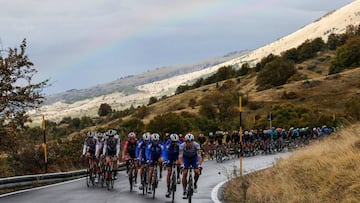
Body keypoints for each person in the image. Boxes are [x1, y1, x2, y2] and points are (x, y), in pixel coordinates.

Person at [179, 133, 202, 198]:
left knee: (197, 171)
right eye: (188, 142)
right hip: (185, 158)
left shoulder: (196, 145)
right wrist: (182, 164)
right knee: (185, 173)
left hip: (194, 158)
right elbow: (180, 156)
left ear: (193, 141)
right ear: (185, 142)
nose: (190, 143)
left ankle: (195, 184)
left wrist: (199, 165)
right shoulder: (182, 146)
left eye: (191, 141)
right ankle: (184, 190)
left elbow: (199, 156)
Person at [164, 133, 182, 198]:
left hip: (177, 155)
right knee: (169, 172)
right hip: (170, 156)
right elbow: (164, 152)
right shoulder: (167, 144)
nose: (175, 143)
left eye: (176, 142)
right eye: (173, 142)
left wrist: (180, 160)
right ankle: (168, 189)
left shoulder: (180, 144)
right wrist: (165, 160)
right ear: (171, 141)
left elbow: (182, 152)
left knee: (179, 164)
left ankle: (178, 176)